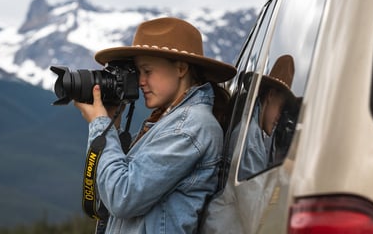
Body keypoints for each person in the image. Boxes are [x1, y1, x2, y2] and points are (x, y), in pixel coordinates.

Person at [74, 17, 237, 233]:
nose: (140, 81)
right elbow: (113, 183)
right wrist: (111, 127)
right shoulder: (171, 120)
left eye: (147, 71)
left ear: (180, 69)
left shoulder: (189, 127)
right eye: (138, 72)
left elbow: (122, 196)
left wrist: (99, 124)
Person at [229, 54, 296, 180]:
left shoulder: (253, 132)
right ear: (270, 95)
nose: (279, 117)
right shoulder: (251, 142)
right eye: (280, 108)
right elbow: (253, 197)